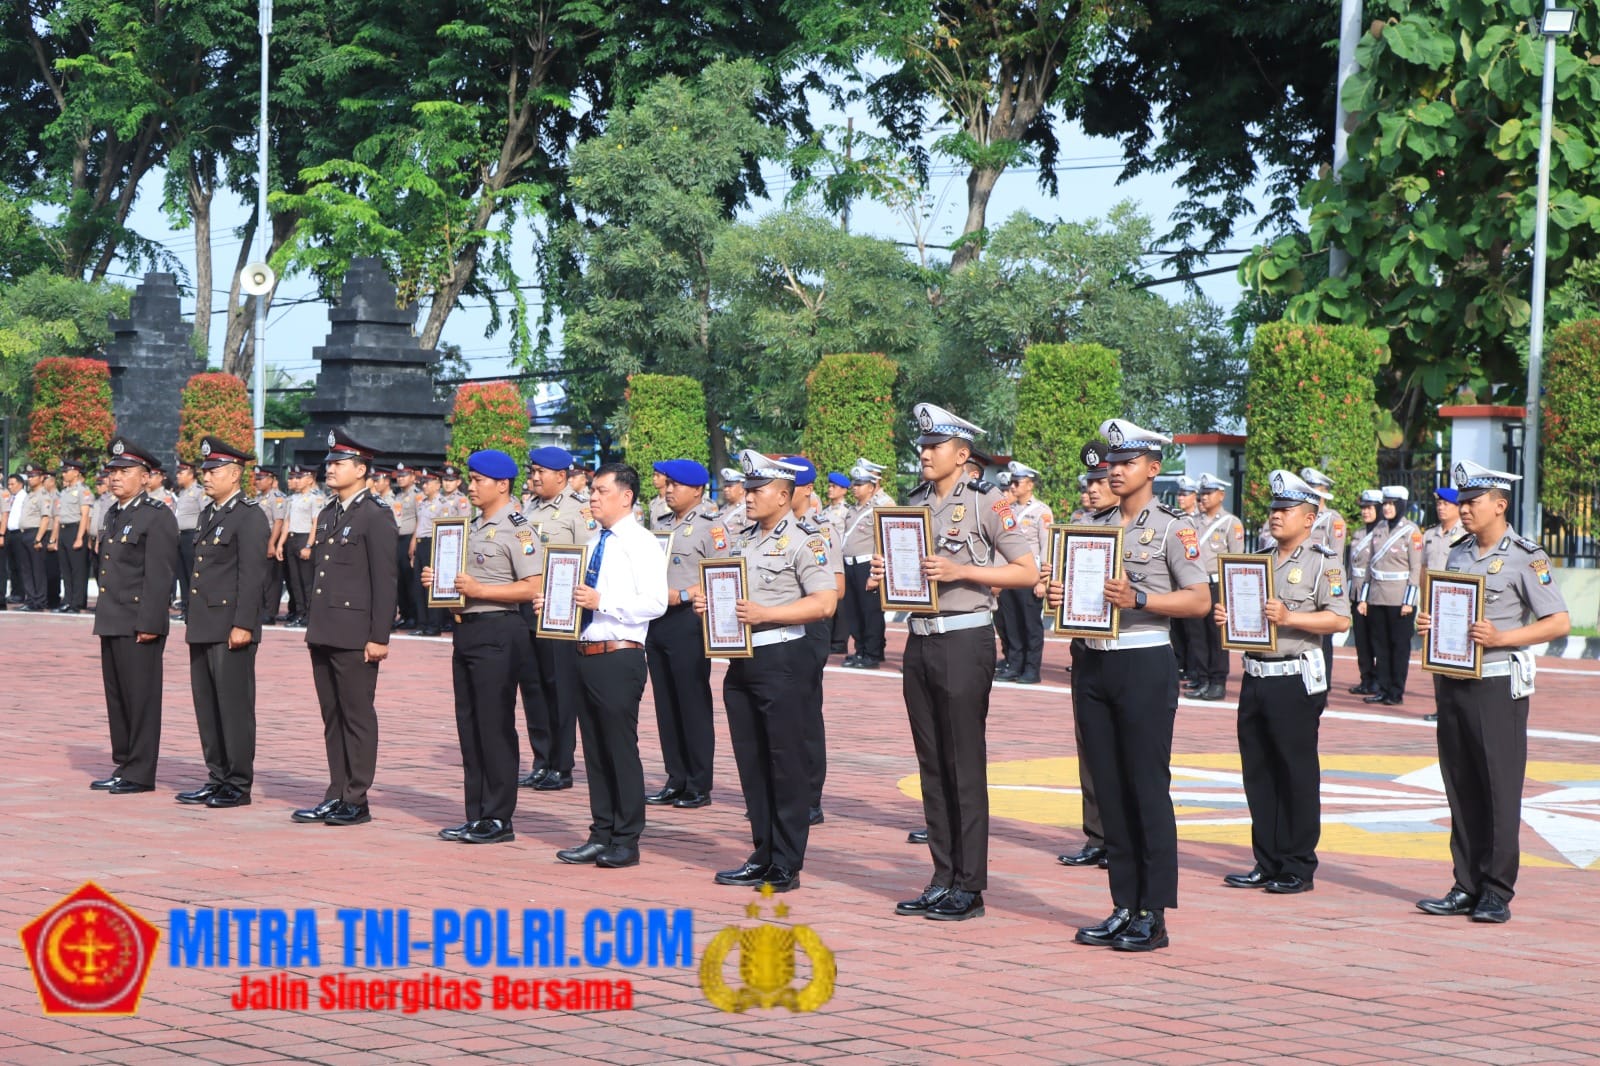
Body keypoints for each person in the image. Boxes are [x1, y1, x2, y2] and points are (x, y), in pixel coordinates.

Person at [1047, 419, 1210, 951]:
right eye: (1112, 462)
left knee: (1146, 788)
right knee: (1110, 789)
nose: (1115, 471)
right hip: (1093, 662)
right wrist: (1058, 596)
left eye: (1128, 462)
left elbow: (1199, 600)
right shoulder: (1091, 524)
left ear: (1153, 468)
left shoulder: (1173, 528)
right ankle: (1124, 904)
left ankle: (1153, 913)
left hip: (1143, 661)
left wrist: (1140, 599)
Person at [872, 403, 1038, 922]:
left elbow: (1027, 571)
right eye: (922, 445)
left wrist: (961, 571)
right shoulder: (914, 503)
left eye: (935, 446)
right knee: (932, 764)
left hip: (965, 639)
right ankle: (941, 877)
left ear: (962, 454)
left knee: (963, 764)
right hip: (920, 639)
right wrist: (885, 571)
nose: (925, 453)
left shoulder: (989, 502)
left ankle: (970, 885)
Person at [1411, 460, 1569, 924]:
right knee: (1460, 784)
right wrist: (1430, 622)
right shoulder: (1458, 553)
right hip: (1452, 680)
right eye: (1461, 502)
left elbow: (1558, 622)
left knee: (1498, 787)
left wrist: (1503, 638)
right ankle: (1465, 884)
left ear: (1500, 505)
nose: (1463, 509)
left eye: (1473, 502)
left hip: (1497, 684)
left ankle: (1496, 890)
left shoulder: (1526, 557)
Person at [701, 451, 836, 891]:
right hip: (741, 660)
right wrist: (710, 603)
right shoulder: (742, 540)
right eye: (748, 489)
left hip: (782, 657)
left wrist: (767, 613)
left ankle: (786, 862)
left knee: (784, 762)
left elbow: (824, 602)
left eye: (757, 490)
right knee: (752, 761)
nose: (748, 496)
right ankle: (762, 852)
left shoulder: (805, 541)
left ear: (782, 495)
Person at [1215, 470, 1350, 895]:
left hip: (1294, 677)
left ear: (1309, 519)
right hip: (1255, 675)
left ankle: (1297, 864)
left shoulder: (1323, 561)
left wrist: (1291, 618)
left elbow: (1339, 619)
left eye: (1286, 510)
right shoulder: (1258, 560)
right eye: (1274, 509)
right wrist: (1228, 618)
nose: (1276, 515)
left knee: (1295, 773)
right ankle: (1267, 860)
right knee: (1258, 772)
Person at [550, 463, 666, 868]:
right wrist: (554, 603)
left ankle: (626, 837)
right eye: (592, 491)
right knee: (595, 750)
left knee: (619, 748)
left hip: (619, 653)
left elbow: (656, 602)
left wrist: (604, 603)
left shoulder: (641, 543)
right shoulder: (594, 540)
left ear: (626, 496)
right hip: (585, 651)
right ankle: (601, 832)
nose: (593, 497)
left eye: (601, 491)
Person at [423, 450, 542, 845]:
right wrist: (439, 582)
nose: (470, 487)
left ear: (502, 484)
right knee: (470, 726)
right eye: (470, 480)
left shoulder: (518, 529)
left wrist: (480, 590)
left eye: (478, 480)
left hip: (499, 630)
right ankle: (475, 814)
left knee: (494, 725)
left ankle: (498, 817)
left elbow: (534, 586)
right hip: (467, 631)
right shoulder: (471, 526)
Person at [291, 430, 397, 827]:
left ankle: (356, 798)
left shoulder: (375, 514)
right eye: (330, 463)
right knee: (332, 716)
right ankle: (335, 792)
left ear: (361, 469)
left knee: (356, 716)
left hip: (355, 633)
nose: (330, 469)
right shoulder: (329, 512)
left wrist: (379, 637)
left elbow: (385, 581)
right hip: (325, 629)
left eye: (339, 463)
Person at [176, 436, 271, 809]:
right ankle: (216, 776)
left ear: (234, 474)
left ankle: (238, 782)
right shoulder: (209, 514)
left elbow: (252, 576)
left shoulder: (249, 515)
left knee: (233, 708)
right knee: (208, 706)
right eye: (205, 470)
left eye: (214, 471)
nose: (206, 476)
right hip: (204, 622)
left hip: (230, 624)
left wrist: (244, 623)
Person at [90, 438, 179, 794]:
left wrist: (150, 622)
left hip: (138, 620)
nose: (115, 477)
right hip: (112, 616)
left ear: (146, 477)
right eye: (113, 471)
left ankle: (140, 772)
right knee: (117, 697)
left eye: (125, 471)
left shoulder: (157, 516)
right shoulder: (114, 513)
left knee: (141, 698)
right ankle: (124, 763)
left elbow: (160, 576)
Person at [644, 459, 722, 810]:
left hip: (689, 620)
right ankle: (675, 778)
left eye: (677, 484)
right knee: (666, 703)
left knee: (691, 702)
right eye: (668, 483)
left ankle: (698, 783)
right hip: (658, 619)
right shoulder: (661, 524)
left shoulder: (711, 527)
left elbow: (723, 574)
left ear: (697, 490)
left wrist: (686, 594)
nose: (669, 489)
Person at [519, 446, 591, 790]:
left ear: (561, 476)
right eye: (532, 472)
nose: (534, 478)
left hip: (560, 611)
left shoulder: (580, 511)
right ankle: (541, 760)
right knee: (533, 686)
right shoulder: (527, 508)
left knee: (559, 687)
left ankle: (561, 765)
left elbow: (588, 561)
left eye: (540, 472)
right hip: (528, 607)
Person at [1057, 441, 1114, 870]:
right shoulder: (1079, 527)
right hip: (1085, 646)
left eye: (1100, 481)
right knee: (1089, 746)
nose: (1091, 490)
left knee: (1124, 751)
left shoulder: (1139, 527)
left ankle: (1123, 839)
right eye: (1089, 483)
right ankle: (1097, 835)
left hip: (1124, 648)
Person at [782, 455, 843, 825]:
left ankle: (809, 796)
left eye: (789, 486)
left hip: (809, 626)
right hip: (774, 626)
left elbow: (838, 587)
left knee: (804, 711)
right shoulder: (764, 530)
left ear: (805, 489)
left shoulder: (819, 532)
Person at [1359, 485, 1422, 706]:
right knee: (1381, 646)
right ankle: (1383, 688)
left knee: (1399, 647)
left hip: (1399, 599)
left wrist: (1409, 601)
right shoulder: (1379, 529)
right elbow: (1369, 565)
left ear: (1401, 505)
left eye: (1391, 504)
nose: (1387, 508)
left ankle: (1396, 691)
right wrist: (1364, 597)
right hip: (1378, 596)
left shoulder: (1411, 531)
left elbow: (1415, 569)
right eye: (1385, 503)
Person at [1186, 473, 1244, 701]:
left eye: (1209, 493)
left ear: (1221, 495)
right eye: (1202, 493)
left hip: (1218, 585)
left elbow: (1236, 560)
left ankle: (1218, 681)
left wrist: (1232, 593)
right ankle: (1202, 679)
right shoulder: (1192, 521)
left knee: (1217, 635)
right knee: (1197, 635)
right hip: (1196, 584)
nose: (1204, 497)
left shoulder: (1231, 523)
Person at [995, 461, 1051, 684]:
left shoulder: (1041, 511)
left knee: (1030, 626)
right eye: (1012, 482)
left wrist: (1042, 580)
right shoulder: (1008, 510)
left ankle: (1031, 669)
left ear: (1030, 484)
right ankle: (1015, 665)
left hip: (1030, 577)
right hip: (1009, 576)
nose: (1013, 486)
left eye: (1017, 483)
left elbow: (1046, 547)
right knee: (1011, 624)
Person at [840, 462, 888, 669]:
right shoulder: (852, 510)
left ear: (871, 487)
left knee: (871, 613)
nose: (855, 488)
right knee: (854, 611)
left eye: (860, 484)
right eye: (854, 484)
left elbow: (883, 542)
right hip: (849, 565)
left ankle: (872, 653)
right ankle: (860, 650)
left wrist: (875, 575)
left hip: (867, 565)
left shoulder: (879, 508)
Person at [1346, 489, 1384, 695]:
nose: (1365, 512)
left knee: (1375, 639)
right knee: (1361, 639)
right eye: (1363, 508)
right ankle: (1366, 678)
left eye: (1369, 508)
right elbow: (1351, 566)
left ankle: (1378, 680)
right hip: (1356, 590)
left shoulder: (1383, 534)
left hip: (1373, 594)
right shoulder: (1359, 533)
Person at [52, 459, 93, 614]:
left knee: (77, 570)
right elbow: (59, 517)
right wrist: (56, 538)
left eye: (66, 471)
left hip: (75, 529)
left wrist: (79, 537)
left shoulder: (83, 491)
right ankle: (67, 601)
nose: (64, 474)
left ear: (76, 473)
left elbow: (85, 515)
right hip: (63, 530)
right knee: (66, 569)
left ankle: (77, 603)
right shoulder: (64, 492)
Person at [283, 465, 321, 626]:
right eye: (295, 478)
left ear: (310, 479)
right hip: (292, 538)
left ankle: (310, 614)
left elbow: (316, 523)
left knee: (307, 581)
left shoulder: (315, 498)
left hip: (305, 538)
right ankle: (300, 613)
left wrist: (308, 545)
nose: (296, 481)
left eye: (300, 478)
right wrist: (281, 544)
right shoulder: (294, 498)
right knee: (295, 580)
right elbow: (287, 521)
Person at [255, 467, 289, 625]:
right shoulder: (258, 497)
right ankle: (261, 609)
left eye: (261, 478)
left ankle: (270, 612)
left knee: (271, 579)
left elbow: (279, 521)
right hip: (259, 539)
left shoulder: (277, 498)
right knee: (260, 577)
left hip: (271, 539)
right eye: (257, 478)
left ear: (270, 480)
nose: (257, 481)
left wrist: (271, 543)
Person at [171, 459, 205, 619]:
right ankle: (185, 608)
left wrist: (199, 536)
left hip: (192, 536)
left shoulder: (199, 492)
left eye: (181, 472)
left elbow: (205, 514)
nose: (178, 475)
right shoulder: (182, 493)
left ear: (191, 475)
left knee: (192, 574)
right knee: (182, 574)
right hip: (180, 537)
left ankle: (194, 609)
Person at [16, 462, 52, 611]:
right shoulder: (29, 495)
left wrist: (38, 538)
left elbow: (45, 518)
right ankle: (30, 600)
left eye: (33, 476)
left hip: (36, 533)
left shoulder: (43, 495)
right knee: (26, 569)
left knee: (38, 570)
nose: (30, 479)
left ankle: (39, 601)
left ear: (41, 477)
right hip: (25, 533)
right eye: (29, 476)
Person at [391, 461, 421, 629]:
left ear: (412, 477)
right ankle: (404, 614)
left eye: (404, 476)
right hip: (398, 539)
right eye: (399, 476)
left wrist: (413, 542)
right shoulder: (398, 496)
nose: (400, 479)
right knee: (400, 579)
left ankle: (414, 616)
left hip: (410, 538)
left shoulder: (417, 495)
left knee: (410, 579)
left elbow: (420, 519)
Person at [1423, 486, 1464, 572]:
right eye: (1439, 504)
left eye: (1446, 504)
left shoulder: (1466, 534)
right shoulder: (1429, 534)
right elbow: (1423, 566)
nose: (1440, 508)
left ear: (1458, 507)